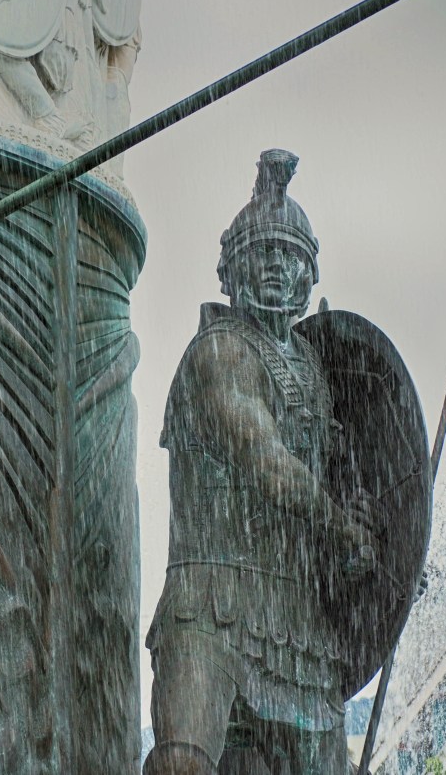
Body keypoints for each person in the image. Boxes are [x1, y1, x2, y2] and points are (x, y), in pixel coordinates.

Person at [144, 149, 374, 775]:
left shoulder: (319, 372)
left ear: (309, 275)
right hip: (208, 605)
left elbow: (350, 481)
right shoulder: (218, 353)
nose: (275, 265)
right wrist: (336, 521)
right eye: (262, 252)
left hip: (296, 623)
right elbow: (265, 460)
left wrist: (368, 545)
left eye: (289, 254)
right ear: (231, 268)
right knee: (181, 764)